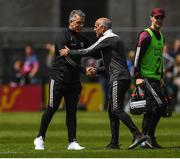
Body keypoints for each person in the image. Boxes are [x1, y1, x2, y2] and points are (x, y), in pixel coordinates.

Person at [60, 17, 147, 149]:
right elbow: (112, 64)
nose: (94, 29)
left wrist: (69, 52)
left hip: (118, 78)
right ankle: (114, 143)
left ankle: (137, 134)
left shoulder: (108, 38)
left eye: (96, 26)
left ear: (103, 27)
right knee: (112, 111)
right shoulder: (114, 39)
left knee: (116, 109)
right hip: (120, 77)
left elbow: (88, 51)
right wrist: (97, 70)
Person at [34, 10, 91, 150]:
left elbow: (93, 51)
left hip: (74, 81)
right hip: (58, 79)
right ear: (70, 21)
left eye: (83, 23)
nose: (81, 25)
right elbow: (68, 60)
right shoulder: (62, 35)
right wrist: (84, 70)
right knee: (52, 108)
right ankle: (39, 138)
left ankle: (72, 142)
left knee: (72, 111)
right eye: (78, 22)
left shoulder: (83, 39)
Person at [134, 8, 166, 148]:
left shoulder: (161, 36)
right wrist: (137, 76)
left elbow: (160, 58)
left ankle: (146, 140)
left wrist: (161, 77)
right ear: (151, 18)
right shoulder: (145, 35)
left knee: (151, 109)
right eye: (156, 17)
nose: (159, 20)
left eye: (161, 18)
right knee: (160, 105)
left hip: (155, 78)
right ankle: (147, 137)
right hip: (145, 77)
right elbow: (137, 56)